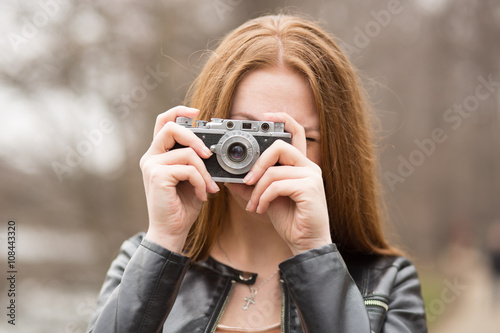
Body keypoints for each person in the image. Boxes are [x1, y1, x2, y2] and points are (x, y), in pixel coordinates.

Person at [87, 14, 427, 333]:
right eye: (243, 134)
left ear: (336, 149)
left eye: (298, 139)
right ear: (205, 129)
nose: (267, 156)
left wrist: (314, 252)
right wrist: (164, 240)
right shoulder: (142, 259)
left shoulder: (387, 282)